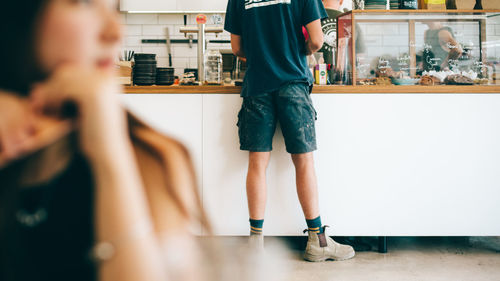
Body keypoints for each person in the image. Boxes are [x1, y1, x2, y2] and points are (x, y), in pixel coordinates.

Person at [0, 0, 210, 280]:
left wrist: (110, 154)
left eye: (114, 8)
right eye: (85, 3)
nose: (115, 31)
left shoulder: (153, 162)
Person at [224, 0, 355, 261]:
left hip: (257, 84)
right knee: (303, 161)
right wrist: (296, 50)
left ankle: (255, 245)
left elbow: (237, 47)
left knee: (257, 163)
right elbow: (317, 41)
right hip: (293, 83)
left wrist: (264, 53)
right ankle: (317, 242)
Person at [319, 0, 366, 83]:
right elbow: (360, 59)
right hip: (344, 82)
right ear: (341, 1)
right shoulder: (352, 21)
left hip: (317, 80)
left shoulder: (312, 20)